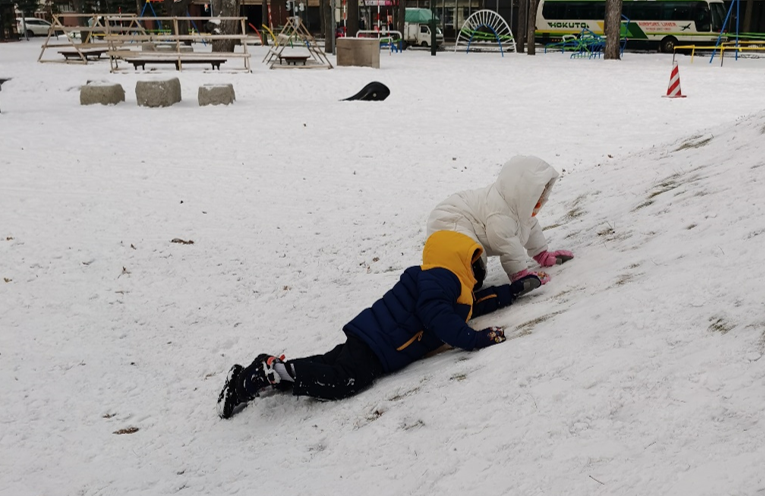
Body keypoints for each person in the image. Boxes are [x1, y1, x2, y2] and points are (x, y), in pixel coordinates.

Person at [217, 230, 545, 419]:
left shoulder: (443, 284)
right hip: (379, 347)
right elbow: (440, 319)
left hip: (370, 336)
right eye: (477, 266)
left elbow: (470, 306)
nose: (479, 274)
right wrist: (476, 340)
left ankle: (254, 374)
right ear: (460, 262)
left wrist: (511, 292)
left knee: (324, 365)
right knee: (344, 380)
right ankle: (272, 373)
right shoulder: (440, 281)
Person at [426, 155, 573, 286]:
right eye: (536, 196)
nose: (540, 201)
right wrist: (519, 274)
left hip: (467, 216)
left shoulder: (519, 209)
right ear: (522, 192)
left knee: (473, 260)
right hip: (450, 217)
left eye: (543, 195)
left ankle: (466, 276)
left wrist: (542, 254)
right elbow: (506, 243)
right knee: (469, 255)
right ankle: (460, 279)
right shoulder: (500, 212)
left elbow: (530, 228)